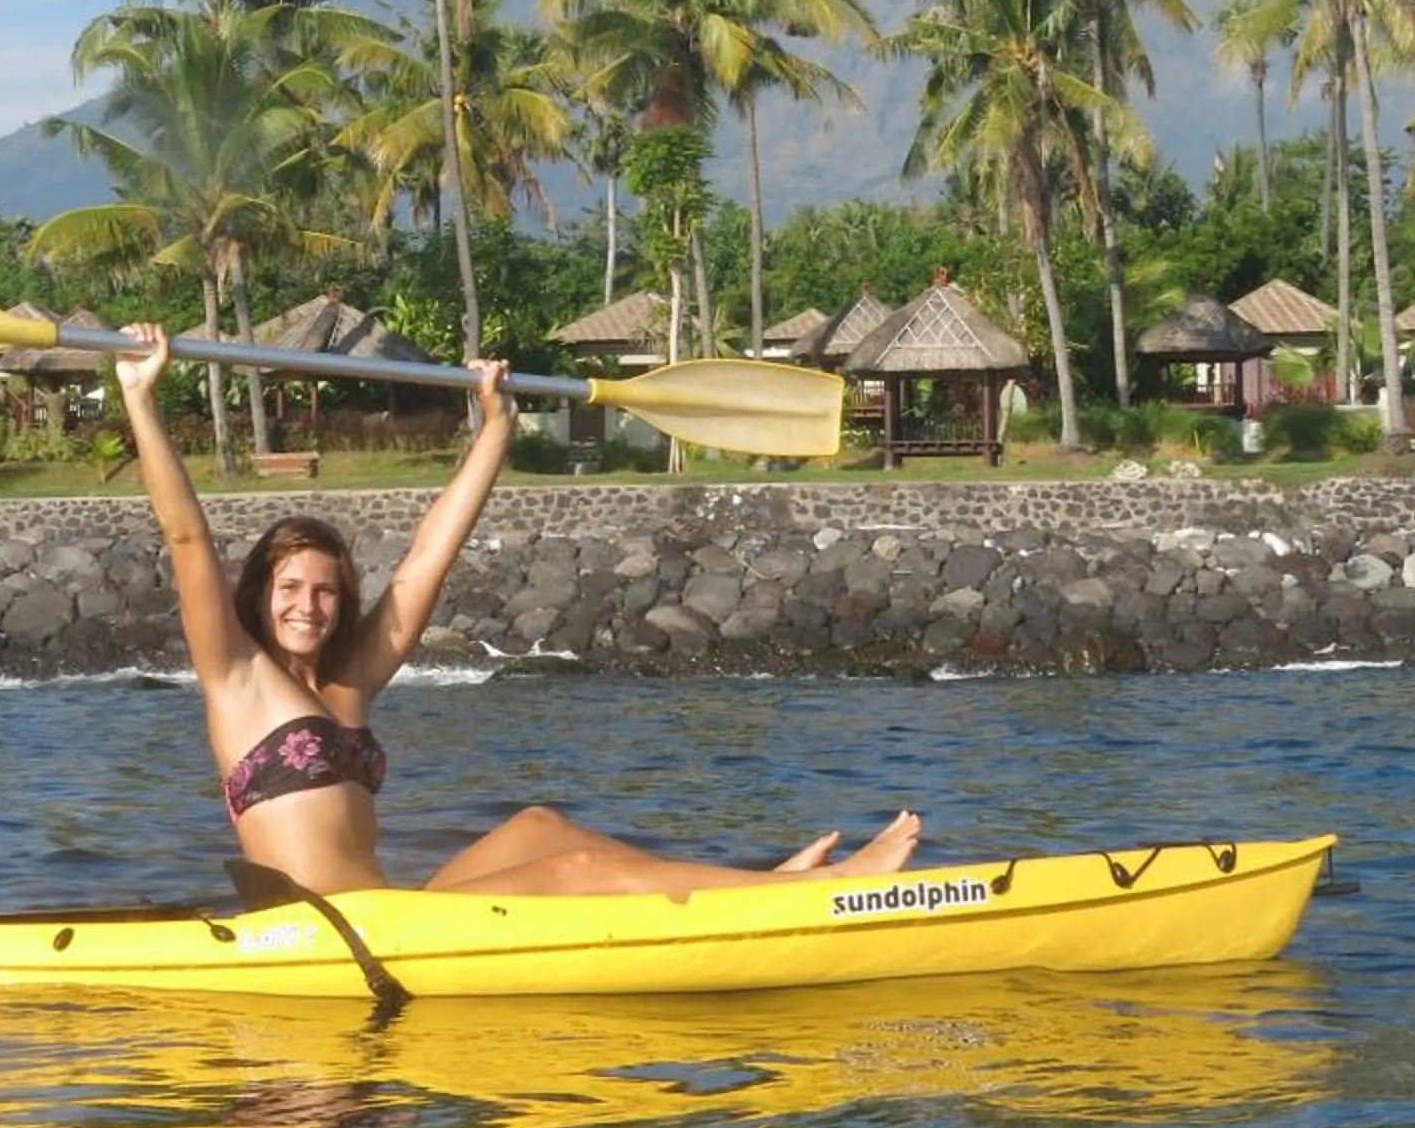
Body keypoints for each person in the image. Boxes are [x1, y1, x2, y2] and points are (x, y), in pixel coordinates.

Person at [114, 324, 921, 898]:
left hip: (391, 915)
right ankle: (809, 890)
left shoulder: (351, 683)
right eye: (290, 588)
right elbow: (187, 538)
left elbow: (432, 551)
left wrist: (495, 427)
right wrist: (142, 400)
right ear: (259, 593)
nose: (309, 606)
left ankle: (758, 887)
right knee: (572, 877)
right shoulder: (236, 677)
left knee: (538, 824)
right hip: (324, 934)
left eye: (325, 590)